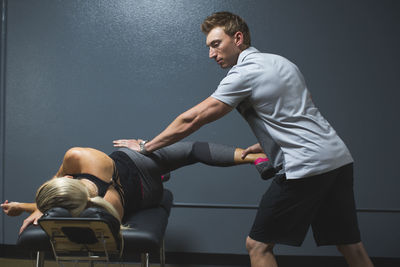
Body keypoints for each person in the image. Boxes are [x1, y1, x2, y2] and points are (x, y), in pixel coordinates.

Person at [113, 12, 374, 267]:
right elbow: (301, 113)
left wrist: (146, 146)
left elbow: (193, 119)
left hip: (306, 166)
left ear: (238, 38)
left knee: (257, 246)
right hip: (337, 159)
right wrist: (269, 143)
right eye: (209, 47)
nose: (211, 54)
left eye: (216, 45)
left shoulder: (244, 73)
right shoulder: (282, 62)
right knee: (350, 244)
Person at [2, 141, 271, 234]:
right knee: (191, 150)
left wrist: (32, 207)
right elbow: (58, 191)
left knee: (188, 152)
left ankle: (258, 158)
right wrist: (40, 207)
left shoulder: (109, 208)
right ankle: (254, 157)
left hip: (143, 184)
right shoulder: (82, 158)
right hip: (140, 172)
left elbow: (58, 195)